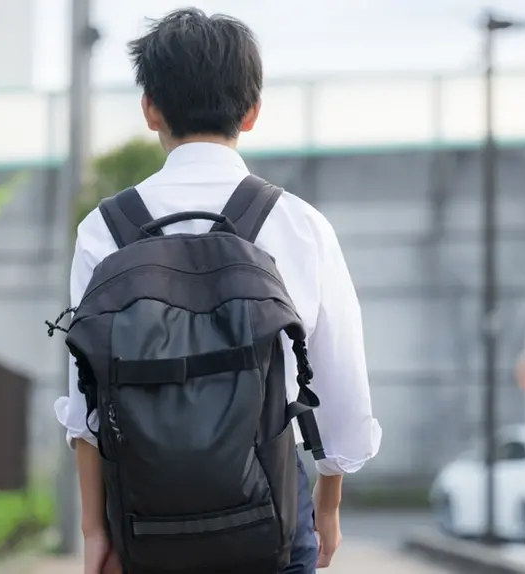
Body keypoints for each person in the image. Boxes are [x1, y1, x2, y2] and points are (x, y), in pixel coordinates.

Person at [53, 8, 381, 574]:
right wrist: (327, 506)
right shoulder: (298, 224)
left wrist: (94, 533)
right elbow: (341, 389)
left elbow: (86, 403)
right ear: (251, 112)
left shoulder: (103, 229)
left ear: (150, 108)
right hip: (270, 516)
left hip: (144, 521)